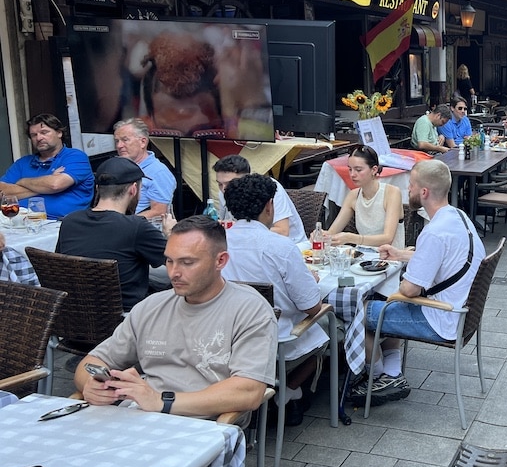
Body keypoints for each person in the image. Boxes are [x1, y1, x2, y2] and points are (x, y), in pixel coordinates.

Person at [74, 215, 277, 419]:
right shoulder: (151, 307)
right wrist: (92, 385)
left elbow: (249, 391)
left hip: (202, 426)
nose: (174, 273)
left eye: (187, 262)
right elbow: (91, 362)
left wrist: (160, 401)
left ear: (220, 261)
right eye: (169, 261)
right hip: (136, 415)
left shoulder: (250, 310)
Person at [354, 160, 483, 406]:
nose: (408, 190)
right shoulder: (457, 217)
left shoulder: (433, 232)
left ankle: (380, 377)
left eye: (411, 185)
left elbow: (409, 290)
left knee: (360, 312)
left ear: (424, 192)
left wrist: (396, 292)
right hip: (461, 311)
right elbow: (442, 258)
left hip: (441, 318)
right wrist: (400, 254)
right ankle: (392, 372)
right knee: (385, 303)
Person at [221, 174, 328, 425]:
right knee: (332, 328)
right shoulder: (280, 246)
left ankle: (287, 395)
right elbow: (311, 307)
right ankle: (289, 391)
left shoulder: (215, 241)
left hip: (227, 332)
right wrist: (310, 280)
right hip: (276, 337)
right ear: (270, 206)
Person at [57, 157, 167, 311]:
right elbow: (176, 260)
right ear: (133, 189)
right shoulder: (136, 227)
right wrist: (170, 235)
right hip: (126, 321)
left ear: (97, 189)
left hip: (74, 317)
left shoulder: (69, 222)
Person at [0, 113, 94, 218]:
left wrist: (23, 181)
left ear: (59, 133)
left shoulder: (75, 157)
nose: (39, 138)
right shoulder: (23, 163)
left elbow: (55, 185)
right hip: (18, 222)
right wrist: (44, 184)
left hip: (60, 225)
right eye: (34, 135)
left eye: (44, 132)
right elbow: (3, 192)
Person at [212, 154, 305, 244]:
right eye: (220, 184)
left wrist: (239, 229)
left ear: (246, 178)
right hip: (251, 242)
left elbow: (283, 232)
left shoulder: (267, 187)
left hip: (291, 244)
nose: (224, 189)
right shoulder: (223, 193)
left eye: (229, 183)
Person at [324, 145, 404, 247]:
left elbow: (387, 238)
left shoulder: (392, 193)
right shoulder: (353, 195)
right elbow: (332, 232)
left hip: (390, 257)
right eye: (350, 169)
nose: (352, 174)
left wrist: (350, 238)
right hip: (363, 257)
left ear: (374, 170)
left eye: (358, 170)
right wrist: (322, 235)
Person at [113, 117, 177, 220]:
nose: (119, 145)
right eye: (117, 141)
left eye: (125, 140)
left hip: (137, 229)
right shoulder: (118, 167)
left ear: (143, 142)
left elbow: (159, 212)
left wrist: (123, 223)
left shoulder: (158, 172)